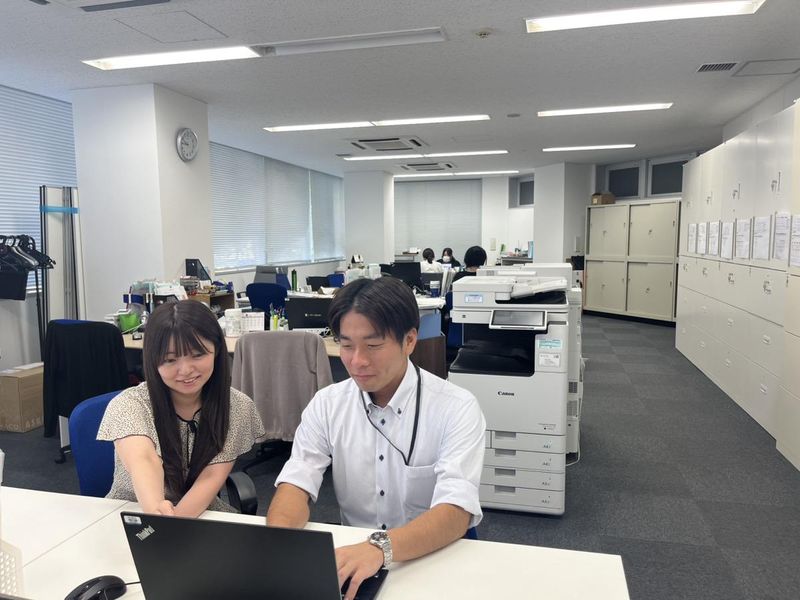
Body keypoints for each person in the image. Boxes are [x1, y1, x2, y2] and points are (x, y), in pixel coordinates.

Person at [267, 277, 485, 600]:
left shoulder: (455, 407)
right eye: (346, 345)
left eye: (373, 346)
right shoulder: (328, 404)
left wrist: (380, 548)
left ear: (409, 340)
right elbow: (297, 482)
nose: (357, 361)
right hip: (357, 563)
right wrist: (278, 544)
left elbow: (456, 511)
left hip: (434, 559)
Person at [97, 300, 265, 516]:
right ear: (153, 360)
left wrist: (172, 526)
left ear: (216, 350)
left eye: (198, 355)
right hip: (133, 510)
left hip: (200, 511)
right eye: (170, 360)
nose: (185, 370)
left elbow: (211, 477)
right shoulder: (130, 405)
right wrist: (156, 513)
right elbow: (144, 459)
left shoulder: (236, 407)